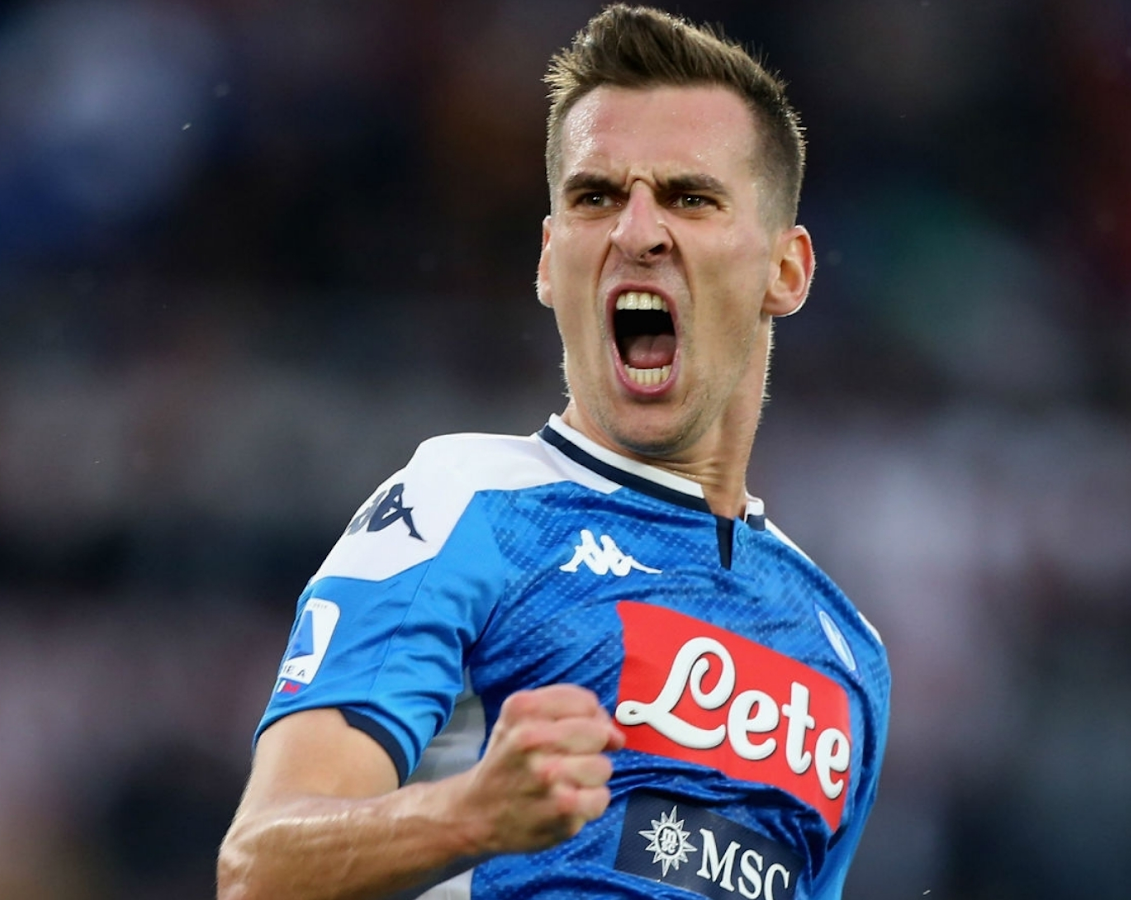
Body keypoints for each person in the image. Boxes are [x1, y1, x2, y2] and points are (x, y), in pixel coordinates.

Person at [216, 5, 890, 899]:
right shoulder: (467, 505)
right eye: (596, 197)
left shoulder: (843, 651)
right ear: (547, 259)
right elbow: (258, 867)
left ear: (786, 270)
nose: (637, 232)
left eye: (689, 197)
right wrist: (469, 816)